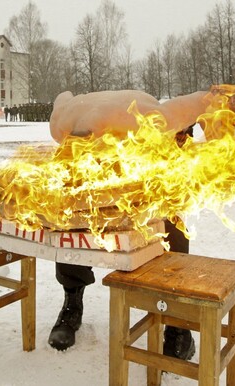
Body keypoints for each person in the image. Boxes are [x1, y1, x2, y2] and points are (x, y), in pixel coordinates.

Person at [47, 90, 209, 359]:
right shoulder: (64, 122)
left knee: (169, 217)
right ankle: (71, 301)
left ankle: (177, 321)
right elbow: (62, 96)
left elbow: (205, 99)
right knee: (72, 212)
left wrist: (213, 136)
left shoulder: (154, 120)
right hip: (97, 148)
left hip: (149, 164)